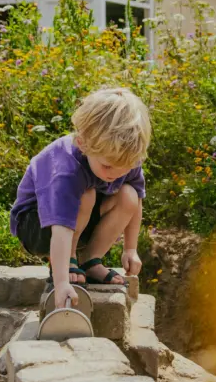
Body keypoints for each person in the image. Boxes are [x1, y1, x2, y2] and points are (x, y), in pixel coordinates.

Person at [10, 88, 148, 308]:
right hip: (37, 225)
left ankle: (90, 260)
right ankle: (69, 260)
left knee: (129, 195)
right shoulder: (67, 170)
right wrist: (62, 281)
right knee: (87, 193)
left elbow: (136, 201)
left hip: (78, 221)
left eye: (125, 168)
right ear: (84, 144)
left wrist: (130, 249)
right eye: (108, 166)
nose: (116, 174)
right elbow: (61, 228)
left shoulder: (124, 158)